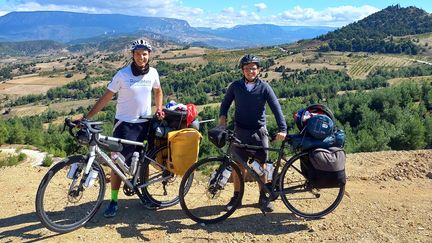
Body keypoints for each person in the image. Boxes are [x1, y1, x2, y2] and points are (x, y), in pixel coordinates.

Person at [81, 39, 164, 218]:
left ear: (149, 55)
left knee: (144, 162)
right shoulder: (122, 75)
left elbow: (158, 90)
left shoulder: (153, 73)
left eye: (144, 54)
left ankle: (144, 194)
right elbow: (106, 97)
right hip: (124, 124)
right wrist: (87, 117)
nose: (141, 57)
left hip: (145, 123)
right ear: (132, 55)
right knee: (117, 163)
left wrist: (159, 108)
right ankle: (113, 200)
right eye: (138, 54)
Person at [218, 54, 287, 212]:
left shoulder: (264, 87)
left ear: (259, 70)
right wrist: (222, 121)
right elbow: (225, 104)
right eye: (247, 68)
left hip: (259, 132)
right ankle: (237, 197)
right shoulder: (235, 86)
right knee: (238, 167)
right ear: (242, 70)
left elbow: (276, 108)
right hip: (239, 131)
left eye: (253, 68)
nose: (251, 71)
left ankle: (263, 197)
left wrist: (283, 129)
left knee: (261, 166)